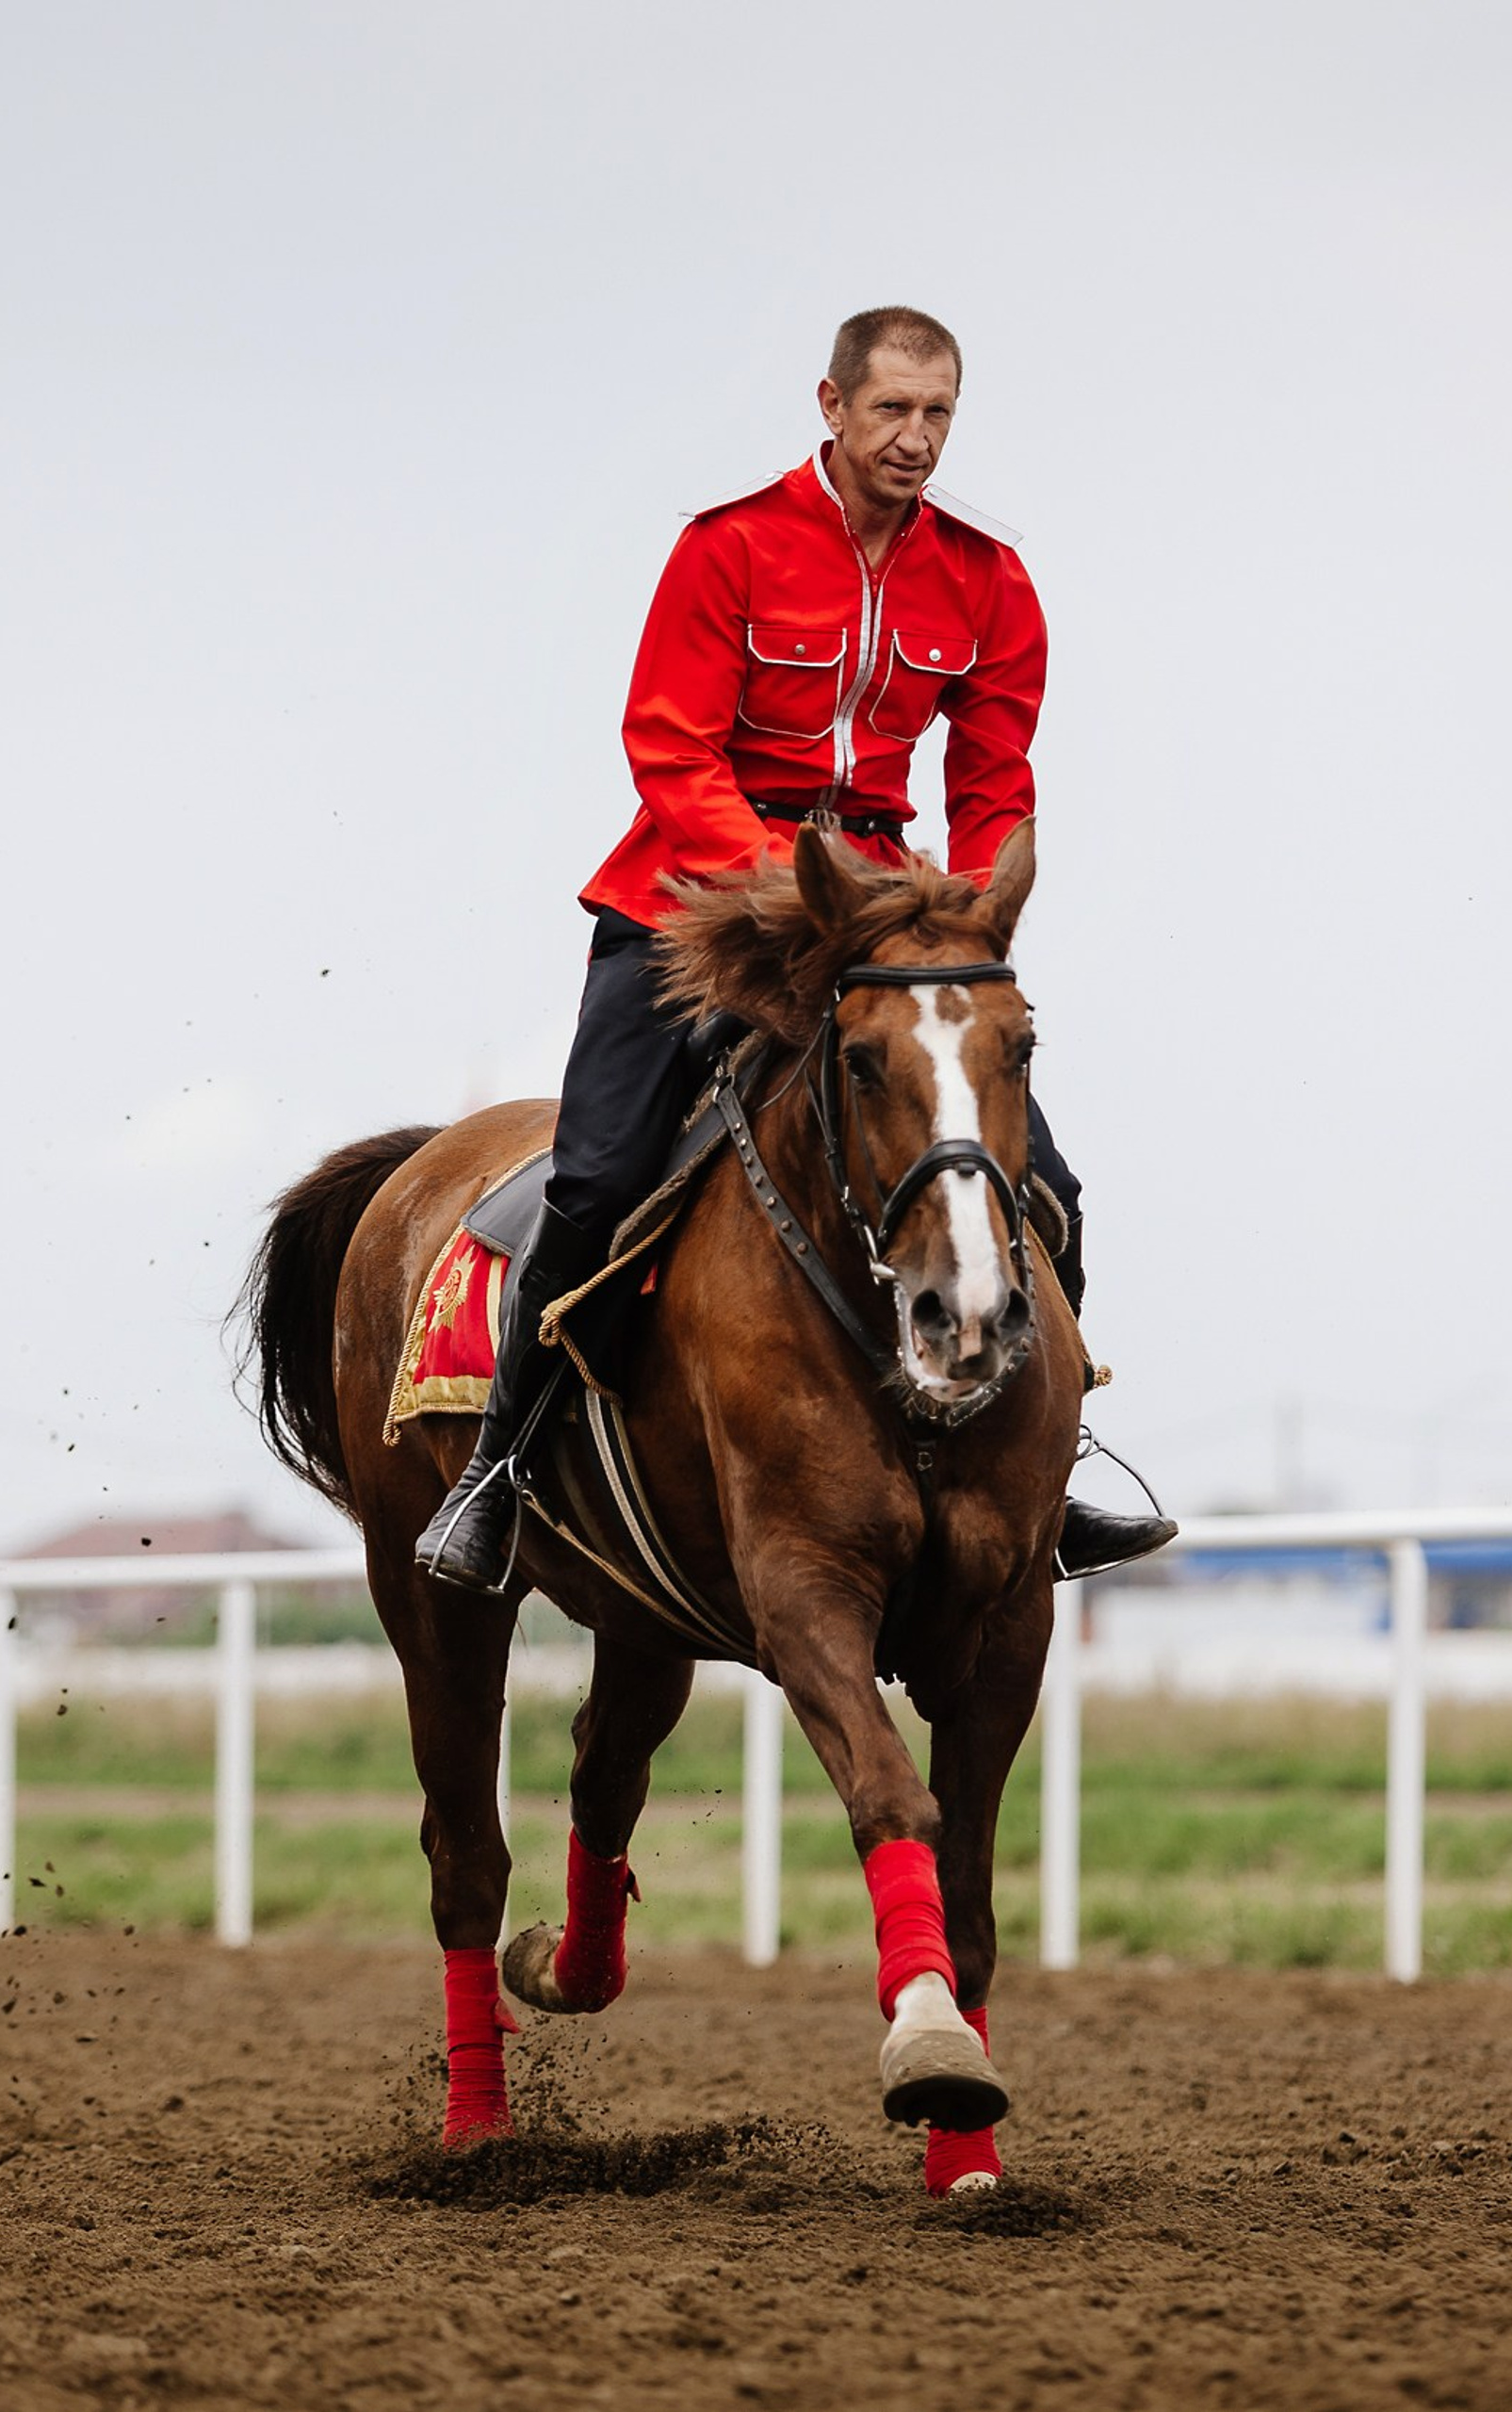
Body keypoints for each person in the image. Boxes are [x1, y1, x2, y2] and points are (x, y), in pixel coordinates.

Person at [417, 304, 1177, 1594]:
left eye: (938, 415)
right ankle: (500, 1468)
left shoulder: (989, 579)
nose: (917, 439)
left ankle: (1058, 1456)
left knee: (1043, 1184)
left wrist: (977, 914)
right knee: (596, 1182)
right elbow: (667, 746)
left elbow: (994, 778)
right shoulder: (730, 548)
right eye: (892, 411)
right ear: (830, 406)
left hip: (884, 911)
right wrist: (786, 886)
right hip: (693, 893)